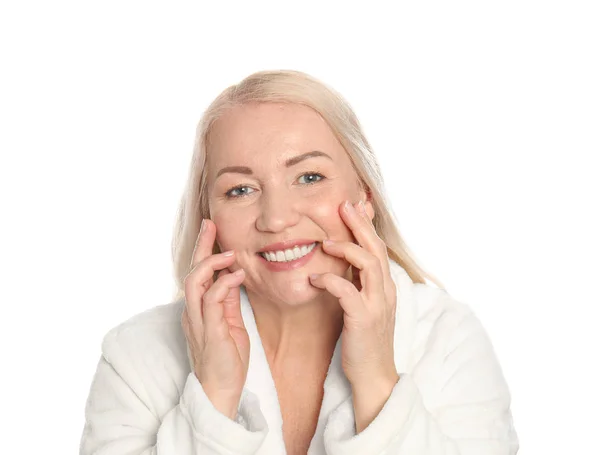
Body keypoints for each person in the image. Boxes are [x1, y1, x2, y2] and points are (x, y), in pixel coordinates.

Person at [79, 70, 519, 455]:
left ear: (364, 195)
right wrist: (212, 401)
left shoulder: (446, 341)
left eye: (309, 177)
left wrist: (377, 384)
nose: (277, 218)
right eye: (240, 190)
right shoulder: (136, 358)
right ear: (209, 219)